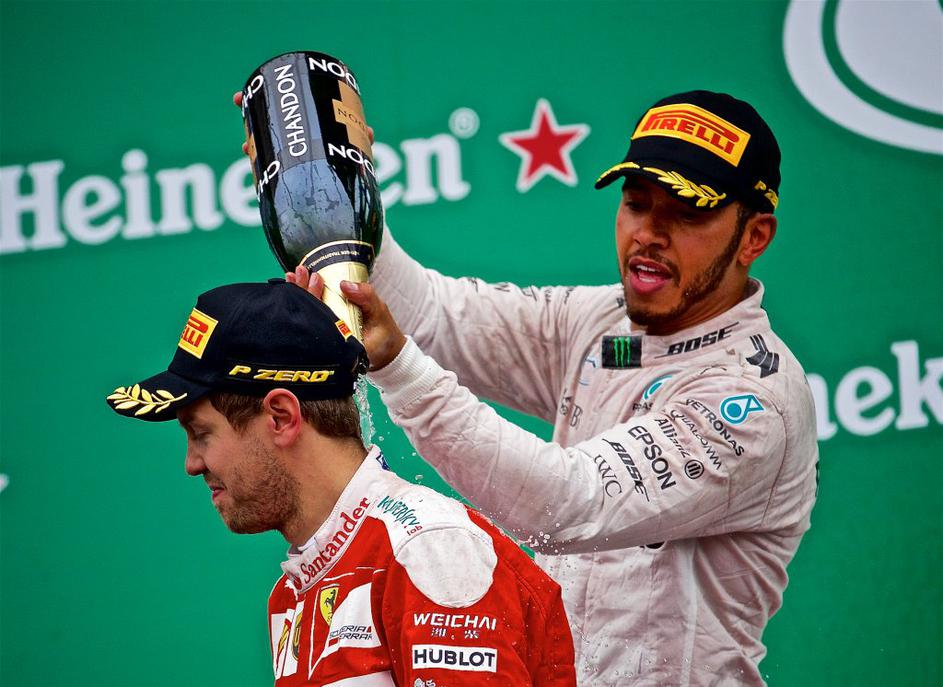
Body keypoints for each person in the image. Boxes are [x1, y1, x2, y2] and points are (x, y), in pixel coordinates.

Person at [287, 90, 819, 686]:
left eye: (687, 214)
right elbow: (435, 315)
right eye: (636, 203)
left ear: (754, 237)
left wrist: (400, 369)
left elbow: (564, 504)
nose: (650, 233)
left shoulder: (755, 402)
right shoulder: (601, 327)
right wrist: (336, 186)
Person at [104, 279, 576, 687]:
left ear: (281, 416)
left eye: (200, 432)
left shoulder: (426, 549)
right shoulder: (295, 589)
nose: (191, 463)